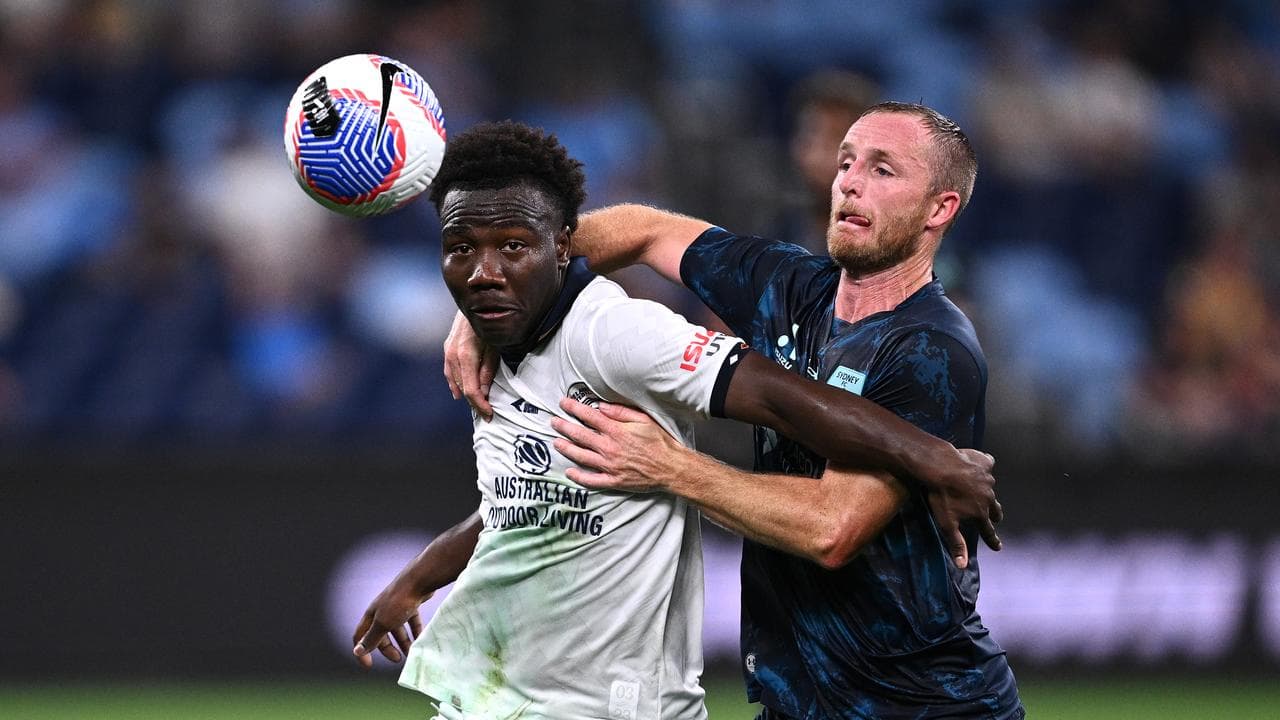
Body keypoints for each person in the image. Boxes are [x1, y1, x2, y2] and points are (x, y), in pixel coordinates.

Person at [354, 120, 1002, 720]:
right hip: (799, 699)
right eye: (846, 162)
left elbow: (832, 528)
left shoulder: (928, 350)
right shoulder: (789, 287)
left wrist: (670, 467)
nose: (850, 181)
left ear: (940, 208)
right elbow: (643, 229)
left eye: (883, 170)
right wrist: (493, 301)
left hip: (919, 701)